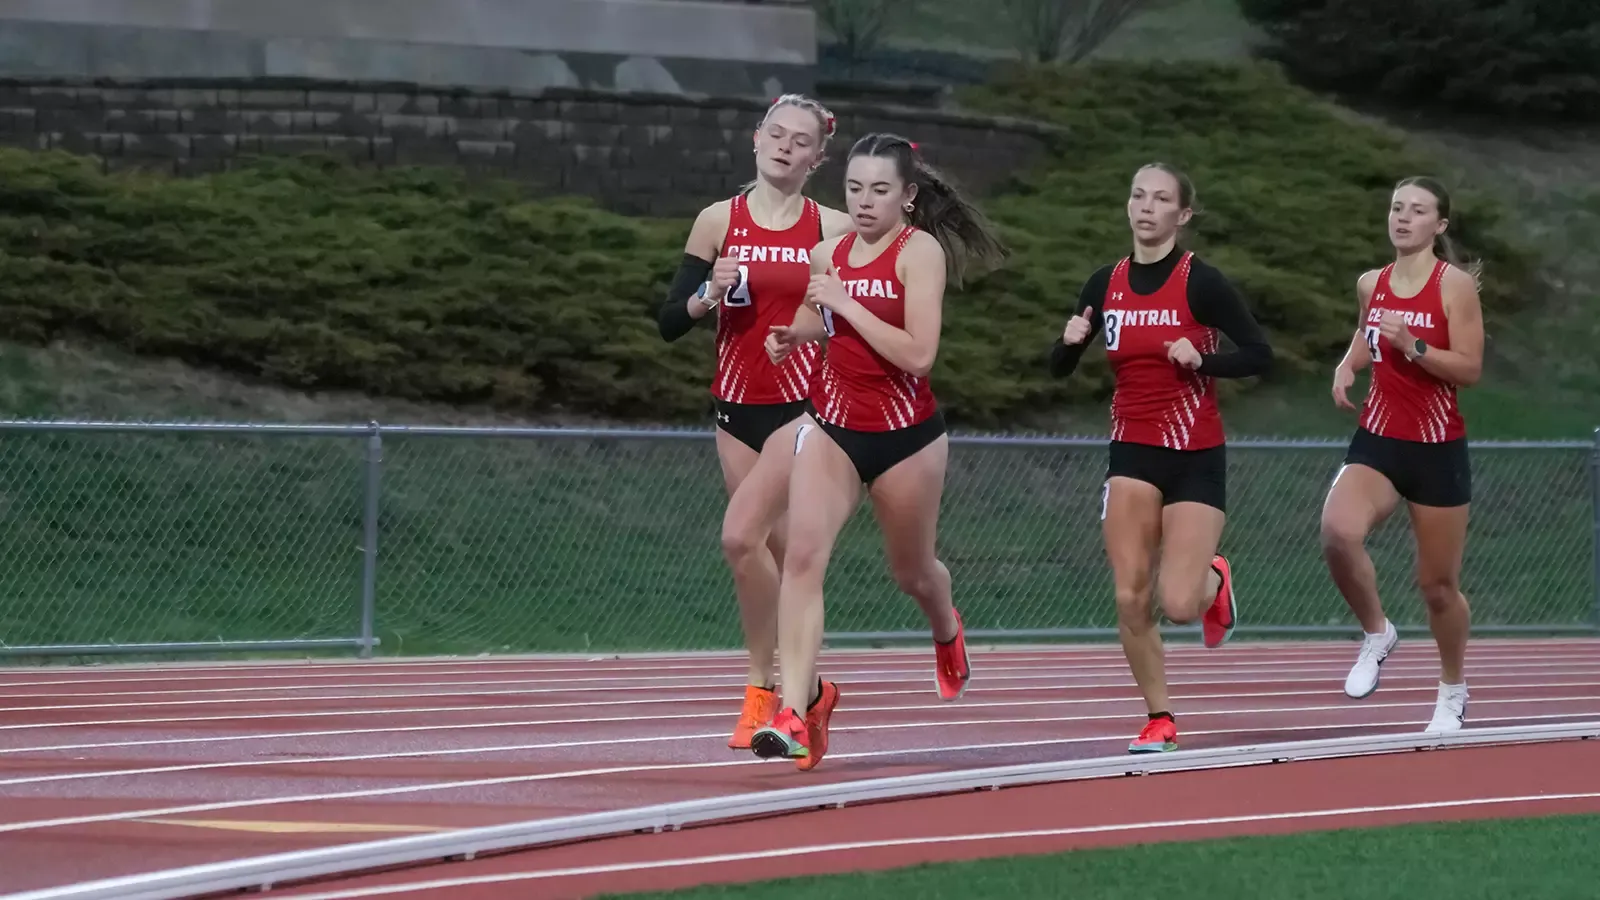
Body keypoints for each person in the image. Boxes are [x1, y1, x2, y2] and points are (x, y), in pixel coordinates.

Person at [751, 132, 1008, 770]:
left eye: (880, 190)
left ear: (908, 196)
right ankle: (796, 709)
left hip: (905, 439)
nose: (864, 202)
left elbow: (918, 356)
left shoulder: (919, 253)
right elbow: (832, 321)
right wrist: (799, 332)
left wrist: (841, 302)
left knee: (912, 574)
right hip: (834, 426)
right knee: (803, 559)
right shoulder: (827, 252)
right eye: (855, 189)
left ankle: (947, 629)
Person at [1050, 162, 1273, 755]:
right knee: (1129, 594)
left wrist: (1204, 361)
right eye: (1138, 196)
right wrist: (1068, 344)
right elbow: (1059, 366)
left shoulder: (1202, 282)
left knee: (1176, 604)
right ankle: (1160, 716)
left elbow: (1258, 354)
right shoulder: (1105, 282)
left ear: (1183, 214)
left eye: (1161, 199)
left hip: (1196, 454)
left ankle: (1213, 578)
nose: (1146, 207)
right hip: (1131, 450)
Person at [656, 94, 855, 750]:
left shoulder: (832, 228)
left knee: (777, 550)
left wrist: (806, 330)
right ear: (755, 139)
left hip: (804, 414)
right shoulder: (718, 220)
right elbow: (668, 322)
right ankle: (808, 690)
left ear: (817, 159)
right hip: (736, 410)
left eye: (801, 141)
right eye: (777, 134)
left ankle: (769, 694)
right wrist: (708, 292)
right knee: (756, 551)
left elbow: (856, 318)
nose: (785, 147)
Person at [1322, 176, 1484, 734]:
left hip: (1437, 447)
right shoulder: (1373, 282)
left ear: (1438, 225)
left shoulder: (1453, 286)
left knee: (1437, 587)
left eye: (1417, 211)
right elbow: (1367, 335)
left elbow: (1470, 367)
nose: (1402, 218)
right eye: (1396, 208)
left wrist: (1412, 346)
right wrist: (1349, 364)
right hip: (1380, 437)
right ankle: (1377, 632)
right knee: (1338, 531)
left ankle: (1452, 689)